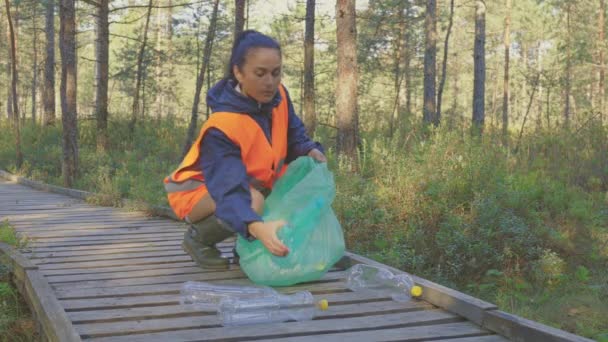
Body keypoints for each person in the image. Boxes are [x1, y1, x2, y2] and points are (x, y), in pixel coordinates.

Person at [164, 30, 326, 269]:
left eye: (276, 72)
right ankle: (199, 239)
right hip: (201, 192)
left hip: (249, 183)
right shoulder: (221, 126)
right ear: (238, 73)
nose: (269, 82)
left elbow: (294, 135)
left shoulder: (279, 96)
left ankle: (245, 248)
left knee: (298, 173)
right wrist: (256, 227)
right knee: (253, 201)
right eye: (259, 73)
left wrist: (309, 150)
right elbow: (229, 188)